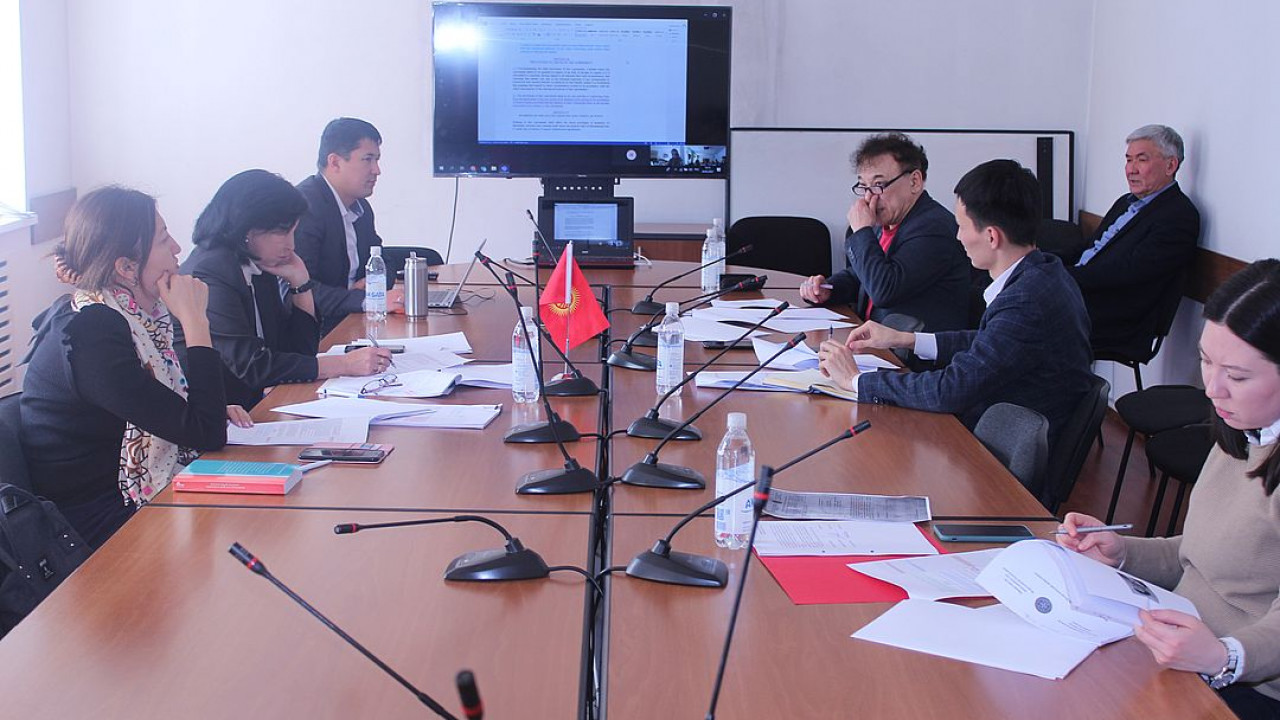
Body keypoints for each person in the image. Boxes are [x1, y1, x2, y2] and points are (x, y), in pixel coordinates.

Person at [1058, 259, 1280, 719]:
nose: (1213, 389)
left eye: (1237, 376)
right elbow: (1204, 553)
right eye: (1206, 361)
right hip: (1178, 641)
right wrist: (1123, 553)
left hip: (1246, 682)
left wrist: (1224, 656)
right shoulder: (1244, 430)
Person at [20, 187, 251, 548]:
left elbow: (198, 419)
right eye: (163, 239)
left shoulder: (138, 319)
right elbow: (206, 434)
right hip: (97, 521)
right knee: (251, 532)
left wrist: (204, 410)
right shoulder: (93, 332)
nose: (177, 248)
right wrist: (195, 322)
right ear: (126, 267)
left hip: (125, 497)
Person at [817, 159, 1093, 450]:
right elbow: (992, 342)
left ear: (991, 236)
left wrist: (856, 380)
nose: (958, 237)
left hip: (1000, 451)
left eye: (961, 226)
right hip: (1007, 423)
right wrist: (908, 339)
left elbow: (951, 389)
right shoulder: (1046, 271)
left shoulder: (1024, 301)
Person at [179, 169, 390, 405]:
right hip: (222, 413)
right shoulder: (211, 272)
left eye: (293, 231)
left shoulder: (256, 263)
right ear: (247, 228)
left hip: (254, 405)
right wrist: (343, 364)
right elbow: (252, 366)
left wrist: (301, 284)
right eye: (282, 232)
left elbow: (298, 353)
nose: (291, 245)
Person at [800, 132, 971, 332]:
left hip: (910, 348)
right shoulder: (886, 221)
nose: (869, 197)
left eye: (878, 185)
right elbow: (860, 277)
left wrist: (861, 231)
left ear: (914, 181)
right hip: (875, 340)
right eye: (864, 186)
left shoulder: (934, 229)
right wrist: (828, 289)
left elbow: (884, 290)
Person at [1068, 124, 1201, 350]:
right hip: (1080, 293)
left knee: (1023, 313)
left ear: (1170, 165)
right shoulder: (1125, 202)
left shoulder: (1179, 215)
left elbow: (1129, 272)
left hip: (1116, 316)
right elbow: (1091, 248)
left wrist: (1063, 276)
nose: (1131, 169)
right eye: (1128, 160)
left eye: (1141, 160)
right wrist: (1040, 259)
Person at [294, 117, 402, 334]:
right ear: (335, 162)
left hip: (353, 321)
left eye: (377, 160)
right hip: (318, 332)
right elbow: (299, 290)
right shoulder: (305, 208)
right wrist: (365, 299)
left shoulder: (360, 207)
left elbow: (384, 260)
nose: (376, 170)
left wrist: (372, 283)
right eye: (367, 159)